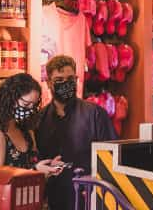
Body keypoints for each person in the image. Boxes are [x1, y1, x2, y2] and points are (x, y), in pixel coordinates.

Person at [36, 55, 116, 210]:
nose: (66, 84)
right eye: (59, 80)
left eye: (70, 79)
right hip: (53, 199)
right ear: (49, 83)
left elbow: (110, 160)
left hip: (88, 198)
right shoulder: (39, 119)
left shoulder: (95, 114)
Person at [0, 72, 65, 176]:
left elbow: (31, 168)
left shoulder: (26, 131)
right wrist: (35, 171)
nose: (30, 110)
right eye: (26, 104)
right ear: (9, 100)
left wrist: (46, 168)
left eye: (34, 106)